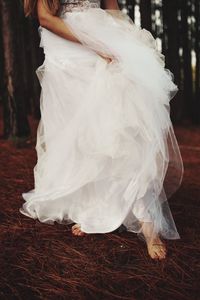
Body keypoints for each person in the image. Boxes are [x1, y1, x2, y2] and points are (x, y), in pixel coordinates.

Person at [20, 0, 184, 260]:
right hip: (68, 51)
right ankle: (92, 211)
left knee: (123, 127)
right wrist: (94, 45)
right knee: (85, 135)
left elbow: (112, 9)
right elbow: (46, 18)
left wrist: (129, 42)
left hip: (101, 38)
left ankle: (149, 226)